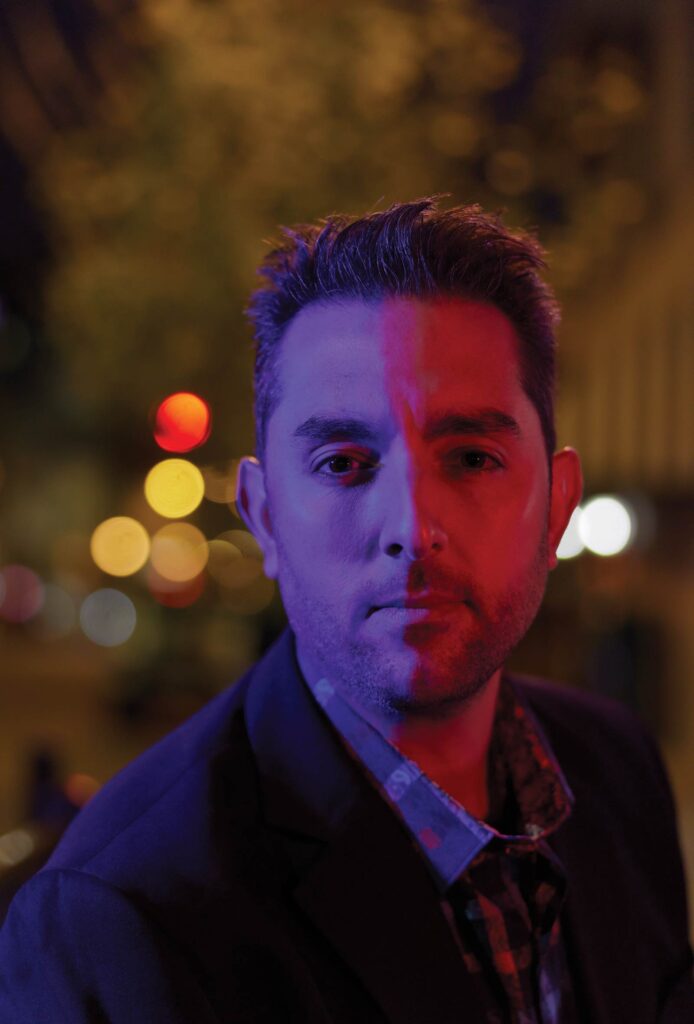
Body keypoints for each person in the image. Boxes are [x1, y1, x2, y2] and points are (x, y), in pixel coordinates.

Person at [1, 198, 692, 1023]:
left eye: (473, 458)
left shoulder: (617, 771)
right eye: (344, 463)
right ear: (264, 516)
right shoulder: (125, 913)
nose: (413, 527)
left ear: (557, 506)